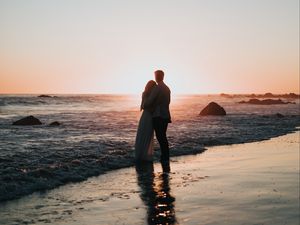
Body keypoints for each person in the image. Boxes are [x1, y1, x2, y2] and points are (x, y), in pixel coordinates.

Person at [144, 70, 171, 162]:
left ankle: (164, 157)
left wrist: (144, 104)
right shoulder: (167, 88)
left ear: (158, 77)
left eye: (156, 76)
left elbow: (150, 101)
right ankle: (165, 156)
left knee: (160, 137)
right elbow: (168, 102)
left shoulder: (157, 88)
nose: (155, 77)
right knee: (163, 136)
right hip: (166, 115)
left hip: (158, 116)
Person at [135, 80, 157, 161]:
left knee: (146, 135)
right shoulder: (147, 94)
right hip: (148, 116)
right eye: (154, 86)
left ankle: (143, 154)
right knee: (145, 135)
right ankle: (143, 155)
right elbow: (143, 106)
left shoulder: (150, 95)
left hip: (146, 116)